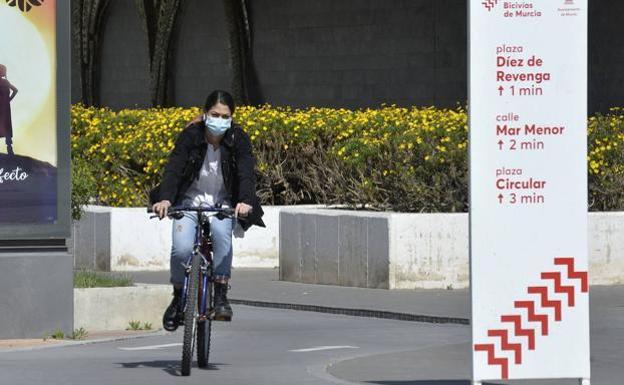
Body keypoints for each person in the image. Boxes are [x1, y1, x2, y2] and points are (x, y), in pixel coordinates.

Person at [150, 90, 265, 330]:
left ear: (232, 118)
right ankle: (177, 296)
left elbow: (246, 173)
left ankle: (221, 295)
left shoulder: (238, 139)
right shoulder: (190, 136)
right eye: (215, 114)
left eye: (225, 116)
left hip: (222, 203)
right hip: (188, 201)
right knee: (181, 248)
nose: (220, 120)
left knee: (222, 235)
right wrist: (165, 200)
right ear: (205, 114)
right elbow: (174, 168)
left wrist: (244, 201)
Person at [0, 64, 18, 156]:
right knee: (6, 127)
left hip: (4, 108)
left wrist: (8, 100)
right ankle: (10, 149)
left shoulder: (5, 82)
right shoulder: (5, 82)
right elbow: (15, 90)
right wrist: (8, 100)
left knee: (5, 127)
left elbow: (15, 90)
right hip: (5, 108)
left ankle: (10, 149)